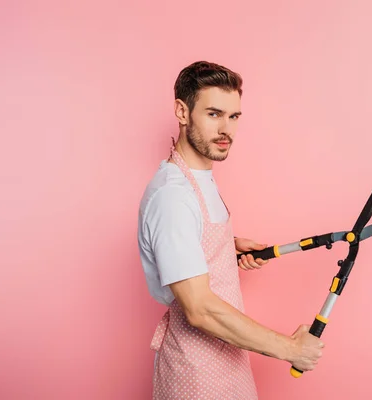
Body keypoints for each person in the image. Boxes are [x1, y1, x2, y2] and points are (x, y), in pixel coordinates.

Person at [137, 61, 325, 399]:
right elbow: (200, 309)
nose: (227, 129)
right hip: (196, 373)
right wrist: (290, 348)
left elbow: (190, 238)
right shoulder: (173, 197)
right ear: (182, 111)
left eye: (234, 116)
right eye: (213, 114)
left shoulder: (197, 179)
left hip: (228, 359)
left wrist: (224, 248)